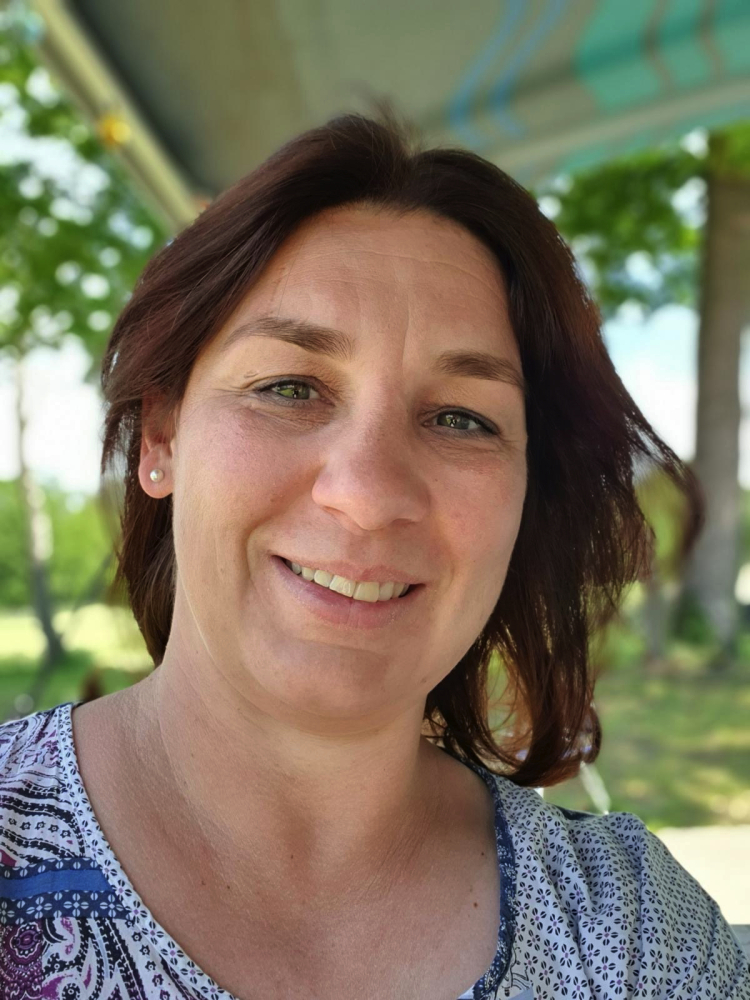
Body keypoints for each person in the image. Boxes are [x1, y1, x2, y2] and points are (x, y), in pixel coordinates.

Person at [0, 110, 748, 1000]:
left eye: (461, 418)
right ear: (160, 437)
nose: (368, 491)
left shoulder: (633, 932)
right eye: (289, 387)